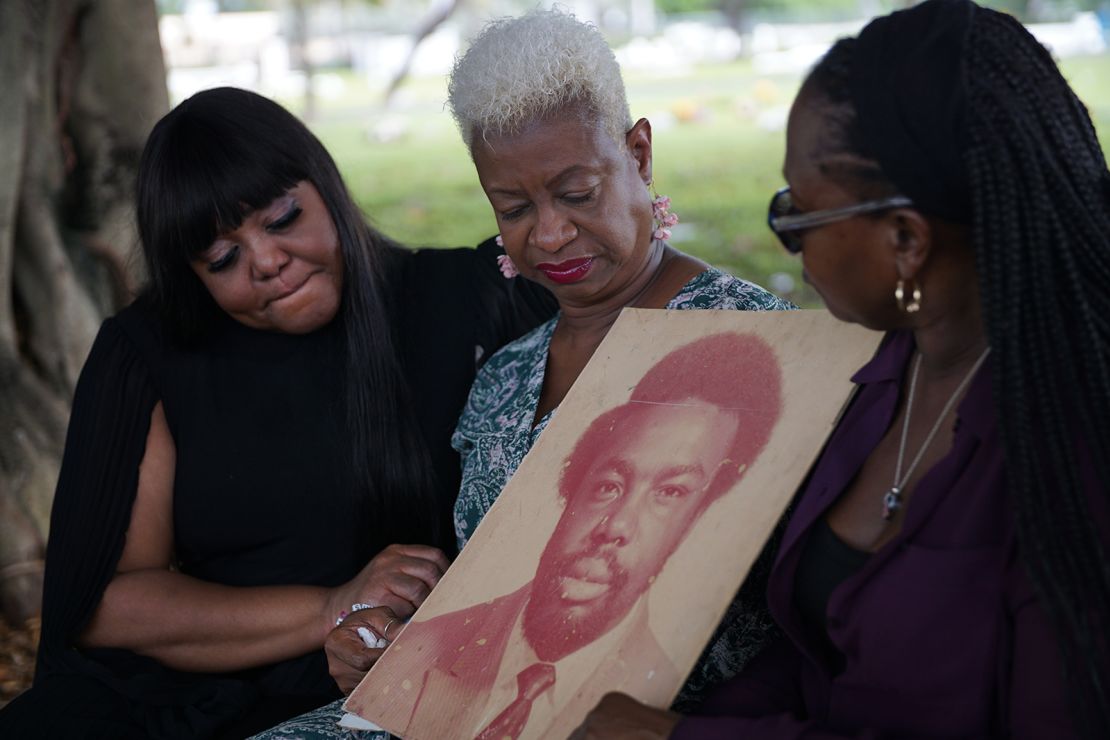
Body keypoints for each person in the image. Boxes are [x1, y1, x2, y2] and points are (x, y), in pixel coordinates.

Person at [570, 1, 1110, 738]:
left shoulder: (1071, 454)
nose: (786, 236)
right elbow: (822, 658)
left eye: (797, 216)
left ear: (905, 241)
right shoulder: (887, 373)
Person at [257, 9, 792, 738]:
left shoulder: (754, 344)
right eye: (512, 207)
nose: (548, 234)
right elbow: (501, 592)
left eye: (577, 194)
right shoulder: (506, 376)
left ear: (638, 154)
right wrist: (391, 640)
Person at [0, 87, 555, 739]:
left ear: (325, 184)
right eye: (222, 258)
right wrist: (330, 606)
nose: (265, 262)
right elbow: (108, 607)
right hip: (199, 688)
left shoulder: (465, 299)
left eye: (283, 217)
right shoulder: (150, 352)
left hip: (406, 680)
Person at [341, 333, 782, 739]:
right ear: (569, 492)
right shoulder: (432, 644)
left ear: (698, 519)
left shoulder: (666, 690)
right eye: (608, 485)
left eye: (669, 493)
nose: (615, 527)